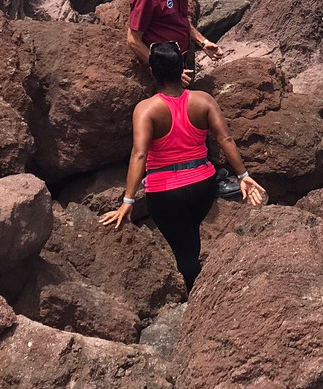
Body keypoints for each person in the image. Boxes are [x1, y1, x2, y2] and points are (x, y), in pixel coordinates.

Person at [100, 41, 267, 293]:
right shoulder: (203, 100)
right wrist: (243, 175)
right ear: (182, 69)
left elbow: (139, 153)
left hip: (165, 193)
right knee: (189, 235)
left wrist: (128, 201)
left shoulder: (146, 109)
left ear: (152, 72)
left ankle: (199, 298)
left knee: (184, 253)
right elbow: (226, 139)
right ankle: (199, 283)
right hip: (203, 187)